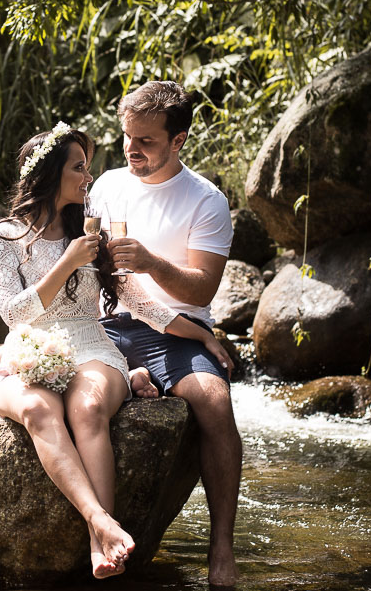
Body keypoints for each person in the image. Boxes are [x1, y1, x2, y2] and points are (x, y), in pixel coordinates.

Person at [0, 123, 225, 580]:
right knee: (38, 410)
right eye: (79, 167)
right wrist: (67, 262)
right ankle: (102, 522)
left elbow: (140, 303)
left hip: (93, 346)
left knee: (89, 407)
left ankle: (102, 548)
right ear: (51, 174)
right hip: (29, 346)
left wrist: (200, 335)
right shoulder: (3, 239)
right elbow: (15, 315)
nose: (88, 177)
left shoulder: (94, 237)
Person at [93, 80, 242, 588]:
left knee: (214, 400)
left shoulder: (206, 201)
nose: (132, 150)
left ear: (178, 141)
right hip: (107, 321)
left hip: (176, 330)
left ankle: (221, 544)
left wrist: (152, 262)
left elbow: (202, 291)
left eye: (147, 141)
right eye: (127, 138)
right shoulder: (106, 186)